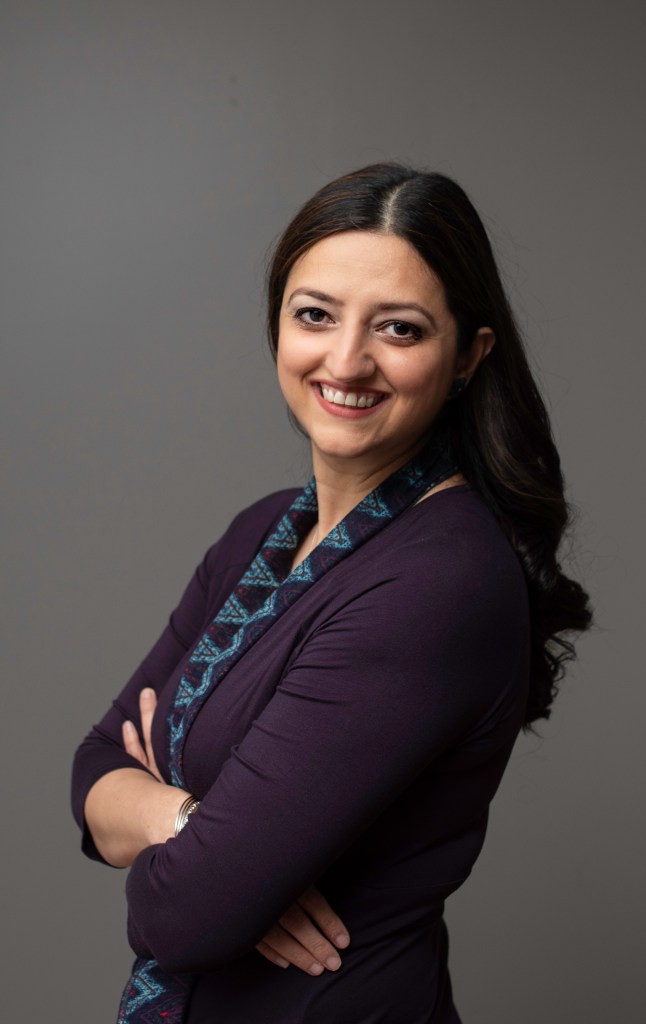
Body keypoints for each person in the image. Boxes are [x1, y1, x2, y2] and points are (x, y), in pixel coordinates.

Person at [71, 162, 592, 1023]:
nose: (346, 361)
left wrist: (186, 842)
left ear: (468, 355)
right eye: (314, 315)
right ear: (278, 323)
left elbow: (183, 912)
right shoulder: (262, 532)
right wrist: (195, 821)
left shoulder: (441, 581)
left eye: (399, 328)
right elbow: (93, 771)